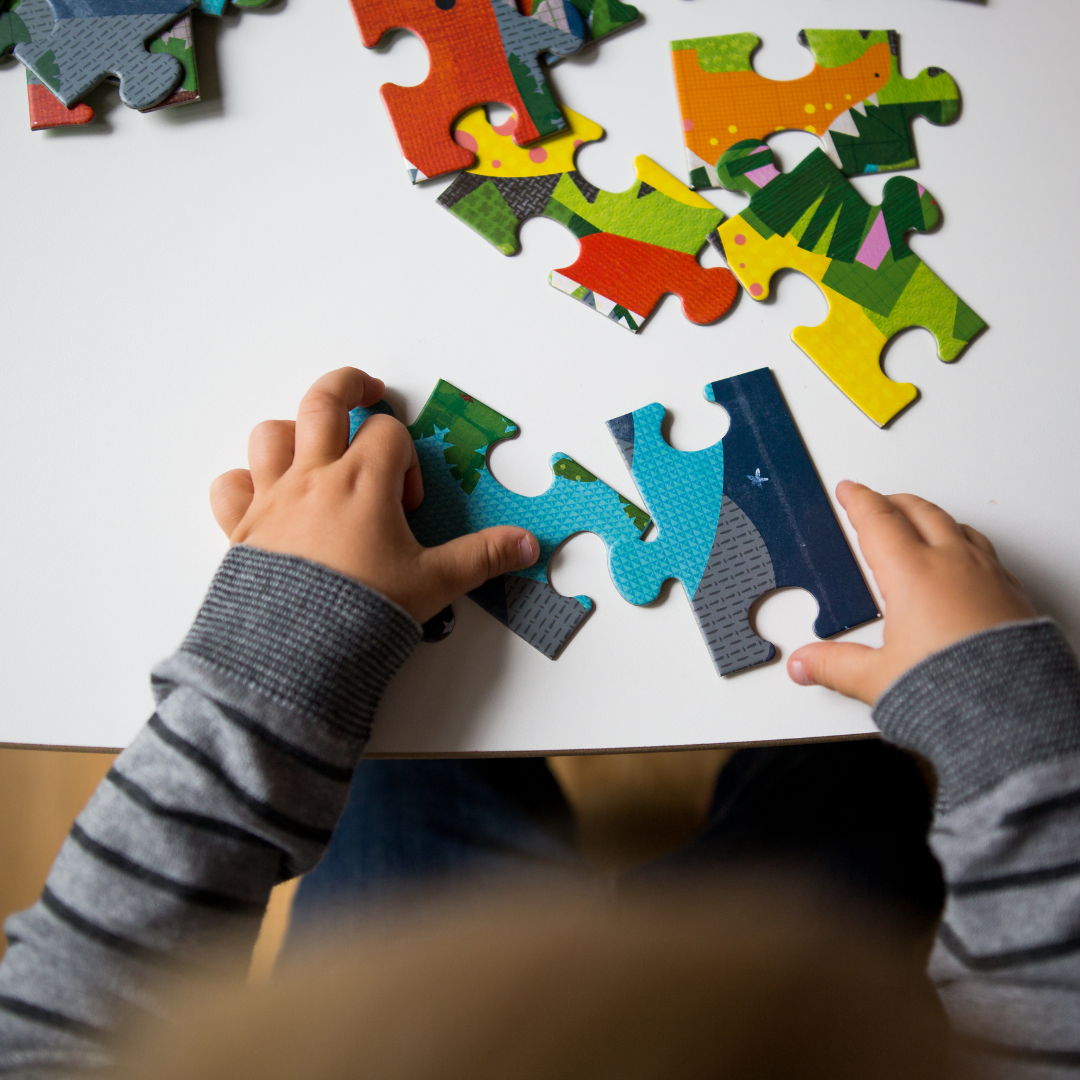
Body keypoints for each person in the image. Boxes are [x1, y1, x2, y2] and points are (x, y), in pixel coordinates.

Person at [0, 367, 1075, 1079]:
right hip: (821, 978)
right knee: (846, 775)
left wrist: (285, 642)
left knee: (399, 748)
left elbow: (58, 1021)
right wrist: (998, 712)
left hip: (402, 1000)